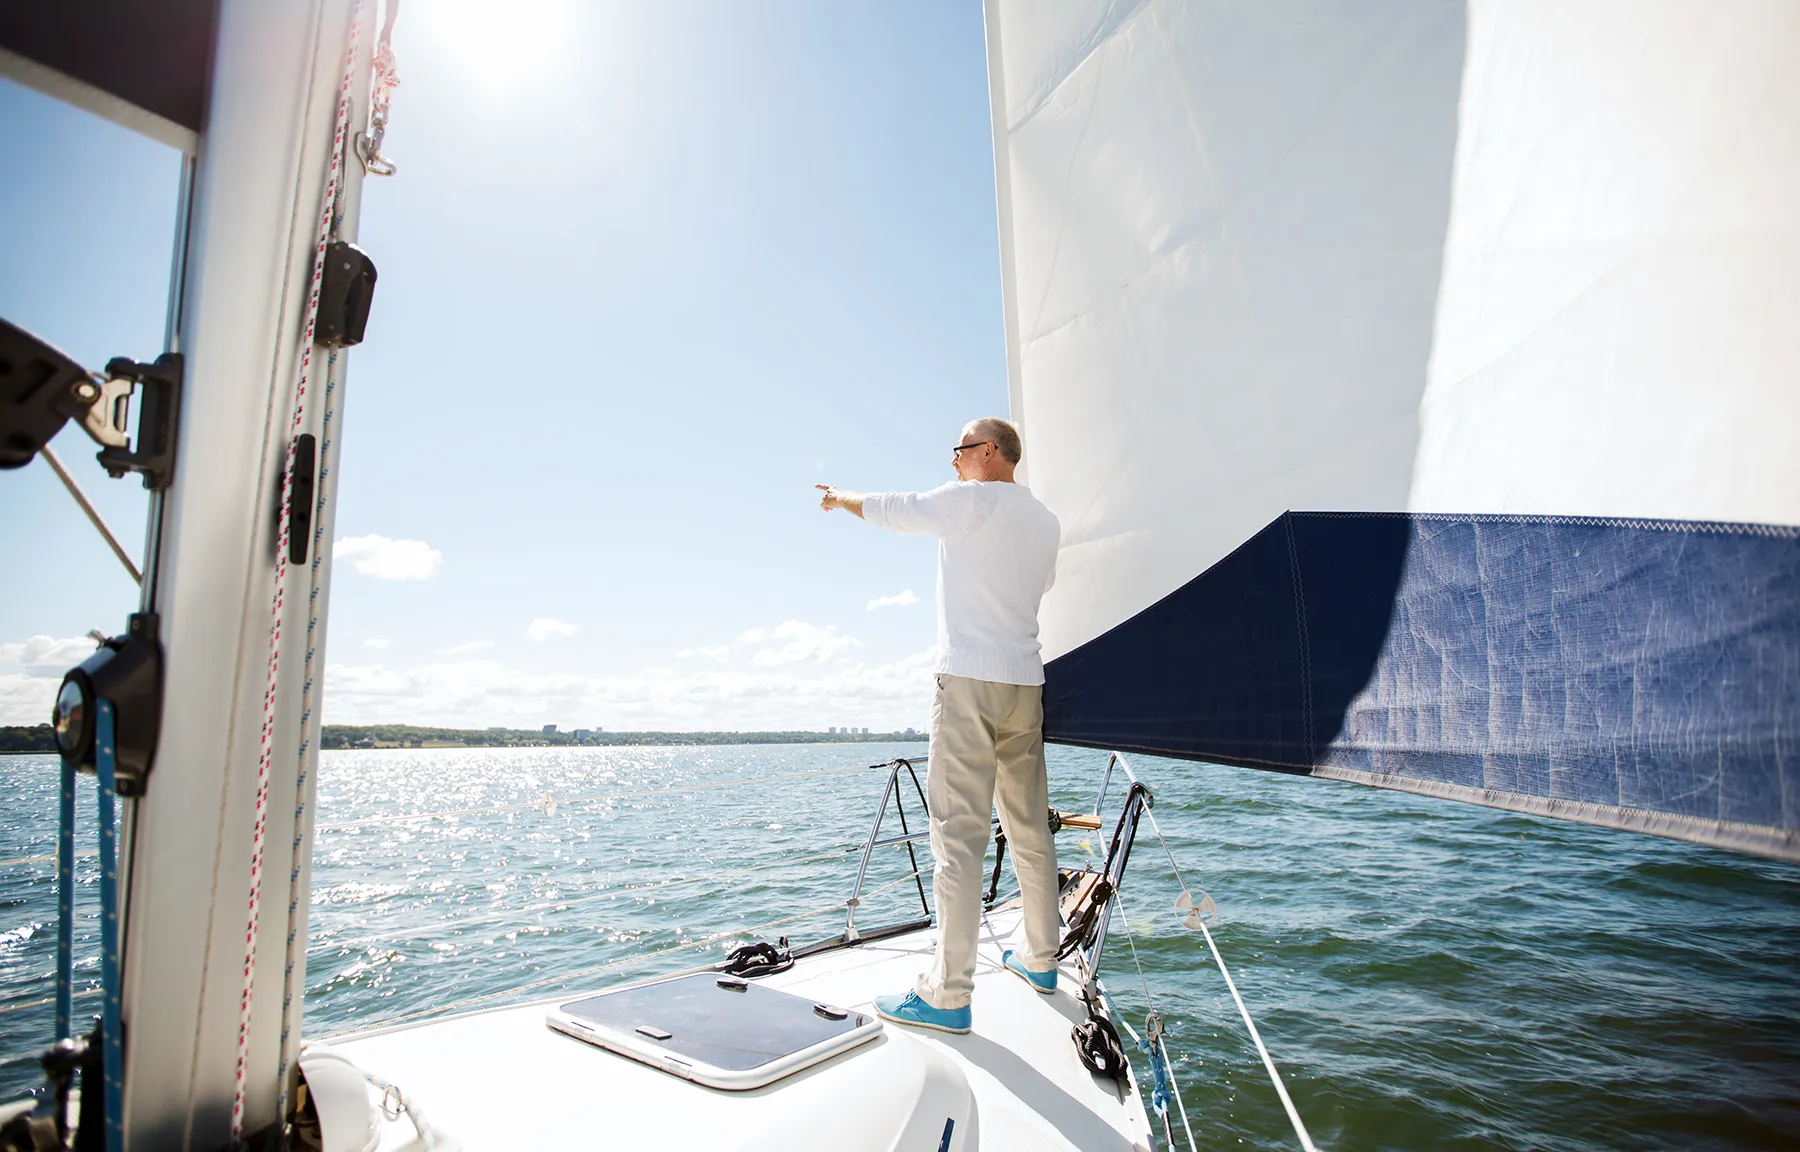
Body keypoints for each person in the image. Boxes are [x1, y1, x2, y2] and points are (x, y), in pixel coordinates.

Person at [815, 417, 1062, 1034]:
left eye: (960, 450)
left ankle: (948, 994)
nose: (953, 461)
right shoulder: (1045, 521)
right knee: (1029, 827)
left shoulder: (971, 500)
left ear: (989, 452)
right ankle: (1041, 960)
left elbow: (897, 510)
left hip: (969, 682)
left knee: (958, 837)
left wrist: (839, 498)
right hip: (1026, 685)